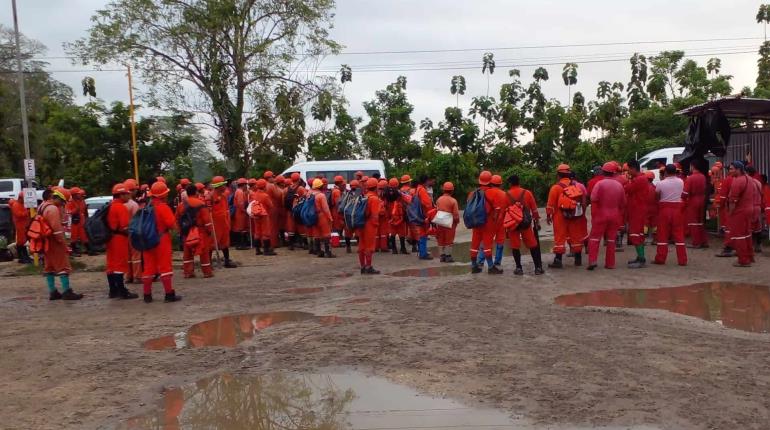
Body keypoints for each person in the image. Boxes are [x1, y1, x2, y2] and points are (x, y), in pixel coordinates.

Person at [141, 181, 181, 303]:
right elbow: (171, 224)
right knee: (165, 267)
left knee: (148, 267)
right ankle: (169, 294)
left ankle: (147, 295)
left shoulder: (147, 208)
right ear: (163, 195)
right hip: (161, 239)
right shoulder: (163, 207)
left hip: (147, 240)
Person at [41, 187, 83, 300]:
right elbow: (57, 230)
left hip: (45, 242)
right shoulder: (53, 209)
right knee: (63, 266)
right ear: (58, 198)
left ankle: (53, 292)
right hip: (55, 241)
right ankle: (67, 291)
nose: (63, 205)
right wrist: (64, 244)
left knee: (49, 267)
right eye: (63, 202)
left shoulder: (42, 206)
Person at [587, 162, 627, 270]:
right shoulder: (619, 185)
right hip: (614, 216)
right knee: (611, 240)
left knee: (594, 239)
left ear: (603, 172)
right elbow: (623, 203)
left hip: (601, 215)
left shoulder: (599, 184)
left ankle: (592, 261)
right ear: (614, 173)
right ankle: (610, 264)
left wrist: (595, 216)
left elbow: (593, 199)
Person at [546, 164, 586, 268]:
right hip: (574, 216)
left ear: (558, 175)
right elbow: (581, 202)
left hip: (560, 217)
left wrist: (548, 216)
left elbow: (550, 204)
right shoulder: (576, 186)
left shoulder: (555, 188)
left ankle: (558, 260)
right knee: (576, 236)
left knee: (559, 237)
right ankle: (578, 260)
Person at [105, 184, 139, 299]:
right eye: (127, 193)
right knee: (119, 264)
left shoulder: (109, 206)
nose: (129, 195)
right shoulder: (120, 207)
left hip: (109, 238)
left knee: (111, 264)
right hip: (119, 238)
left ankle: (113, 290)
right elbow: (125, 226)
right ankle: (122, 291)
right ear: (121, 195)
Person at [506, 175, 544, 275]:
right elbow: (534, 209)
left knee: (515, 246)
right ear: (519, 182)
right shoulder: (527, 193)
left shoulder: (506, 195)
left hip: (513, 225)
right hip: (525, 223)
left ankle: (519, 268)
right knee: (533, 244)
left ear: (510, 183)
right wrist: (537, 221)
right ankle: (538, 268)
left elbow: (504, 212)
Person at [654, 164, 687, 266]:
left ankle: (661, 258)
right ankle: (682, 260)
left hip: (664, 209)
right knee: (679, 234)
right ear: (675, 171)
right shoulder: (681, 182)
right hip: (677, 209)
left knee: (663, 234)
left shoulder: (660, 183)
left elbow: (657, 196)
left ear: (666, 172)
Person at [177, 184, 214, 278]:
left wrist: (180, 231)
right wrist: (209, 231)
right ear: (196, 192)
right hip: (200, 231)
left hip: (186, 231)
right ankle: (207, 272)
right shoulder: (201, 204)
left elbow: (177, 219)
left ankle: (188, 273)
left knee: (187, 253)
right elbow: (207, 220)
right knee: (204, 252)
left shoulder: (181, 205)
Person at [727, 161, 757, 267]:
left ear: (738, 169)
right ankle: (750, 256)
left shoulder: (737, 181)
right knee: (747, 234)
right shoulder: (749, 179)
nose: (729, 171)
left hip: (740, 211)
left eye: (731, 169)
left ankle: (743, 260)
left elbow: (732, 201)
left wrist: (730, 213)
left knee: (739, 236)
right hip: (749, 209)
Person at [469, 171, 497, 274]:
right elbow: (497, 209)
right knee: (487, 245)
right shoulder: (493, 192)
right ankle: (490, 267)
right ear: (490, 181)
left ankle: (474, 266)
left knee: (474, 245)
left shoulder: (472, 193)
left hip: (475, 223)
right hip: (487, 223)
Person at [625, 160, 650, 268]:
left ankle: (641, 260)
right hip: (638, 209)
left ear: (633, 168)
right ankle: (640, 257)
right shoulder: (641, 178)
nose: (628, 172)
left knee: (635, 235)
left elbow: (627, 189)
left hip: (637, 210)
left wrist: (627, 181)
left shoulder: (638, 180)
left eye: (629, 169)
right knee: (638, 235)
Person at [209, 176, 237, 268]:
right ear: (219, 186)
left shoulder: (224, 196)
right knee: (212, 243)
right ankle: (208, 263)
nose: (225, 186)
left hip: (224, 223)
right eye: (223, 184)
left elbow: (226, 209)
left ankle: (227, 261)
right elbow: (208, 211)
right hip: (215, 224)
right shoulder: (210, 196)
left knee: (225, 242)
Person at [483, 174, 509, 273]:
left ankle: (487, 264)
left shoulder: (486, 193)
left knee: (487, 243)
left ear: (491, 183)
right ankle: (497, 262)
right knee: (500, 242)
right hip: (501, 222)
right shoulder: (504, 194)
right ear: (500, 184)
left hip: (489, 222)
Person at [683, 160, 709, 249]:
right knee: (701, 221)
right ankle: (704, 241)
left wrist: (682, 197)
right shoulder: (703, 177)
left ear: (692, 166)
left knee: (693, 222)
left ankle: (696, 242)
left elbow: (685, 193)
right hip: (702, 199)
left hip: (693, 200)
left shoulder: (690, 178)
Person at [358, 178, 381, 274]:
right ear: (376, 187)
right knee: (369, 247)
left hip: (361, 223)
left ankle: (363, 267)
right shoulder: (374, 199)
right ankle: (369, 266)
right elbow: (375, 215)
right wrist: (376, 224)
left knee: (362, 246)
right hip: (370, 225)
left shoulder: (364, 197)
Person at [309, 178, 335, 258]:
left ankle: (319, 252)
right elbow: (326, 208)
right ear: (320, 186)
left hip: (312, 216)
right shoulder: (321, 195)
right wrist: (330, 218)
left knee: (317, 235)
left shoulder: (309, 194)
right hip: (321, 216)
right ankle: (328, 252)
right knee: (326, 234)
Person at [250, 179, 276, 256]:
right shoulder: (265, 196)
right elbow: (271, 206)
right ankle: (266, 250)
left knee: (257, 232)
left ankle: (257, 250)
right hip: (264, 215)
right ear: (264, 186)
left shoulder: (254, 194)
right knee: (266, 233)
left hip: (256, 215)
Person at [435, 182, 460, 263]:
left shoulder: (439, 199)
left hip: (439, 222)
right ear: (452, 191)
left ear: (443, 190)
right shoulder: (453, 201)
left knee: (440, 239)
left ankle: (442, 256)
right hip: (449, 223)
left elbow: (437, 210)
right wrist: (457, 222)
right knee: (449, 240)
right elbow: (455, 214)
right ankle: (448, 256)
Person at [123, 179, 142, 284]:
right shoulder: (133, 205)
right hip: (134, 232)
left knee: (127, 256)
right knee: (136, 256)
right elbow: (137, 220)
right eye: (135, 190)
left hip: (123, 233)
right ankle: (137, 276)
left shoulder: (121, 204)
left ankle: (128, 276)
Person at [413, 175, 436, 260]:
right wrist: (431, 215)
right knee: (423, 234)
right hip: (424, 215)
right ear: (426, 181)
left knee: (422, 234)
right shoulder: (422, 190)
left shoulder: (418, 189)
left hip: (419, 214)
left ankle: (422, 252)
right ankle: (423, 253)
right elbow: (427, 204)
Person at [9, 191, 32, 264]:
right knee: (20, 242)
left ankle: (24, 257)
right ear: (20, 198)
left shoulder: (21, 204)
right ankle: (22, 258)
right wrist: (27, 212)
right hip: (19, 226)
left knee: (23, 242)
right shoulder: (16, 205)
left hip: (23, 225)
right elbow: (19, 214)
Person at [66, 187, 90, 257]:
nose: (80, 195)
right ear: (74, 194)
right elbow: (68, 212)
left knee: (83, 235)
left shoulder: (80, 201)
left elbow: (84, 210)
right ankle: (73, 250)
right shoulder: (70, 202)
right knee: (74, 236)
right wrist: (75, 210)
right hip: (74, 221)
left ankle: (88, 249)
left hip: (80, 221)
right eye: (78, 194)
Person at [746, 166, 764, 254]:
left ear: (747, 172)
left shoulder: (748, 182)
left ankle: (750, 247)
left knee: (749, 227)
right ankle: (759, 245)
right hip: (758, 207)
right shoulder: (758, 182)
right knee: (758, 227)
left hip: (750, 207)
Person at [232, 178, 250, 250]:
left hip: (239, 212)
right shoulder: (240, 192)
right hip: (240, 213)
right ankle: (241, 245)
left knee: (240, 229)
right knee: (241, 229)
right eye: (246, 184)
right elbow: (240, 203)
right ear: (244, 185)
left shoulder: (238, 191)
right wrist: (245, 211)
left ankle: (241, 244)